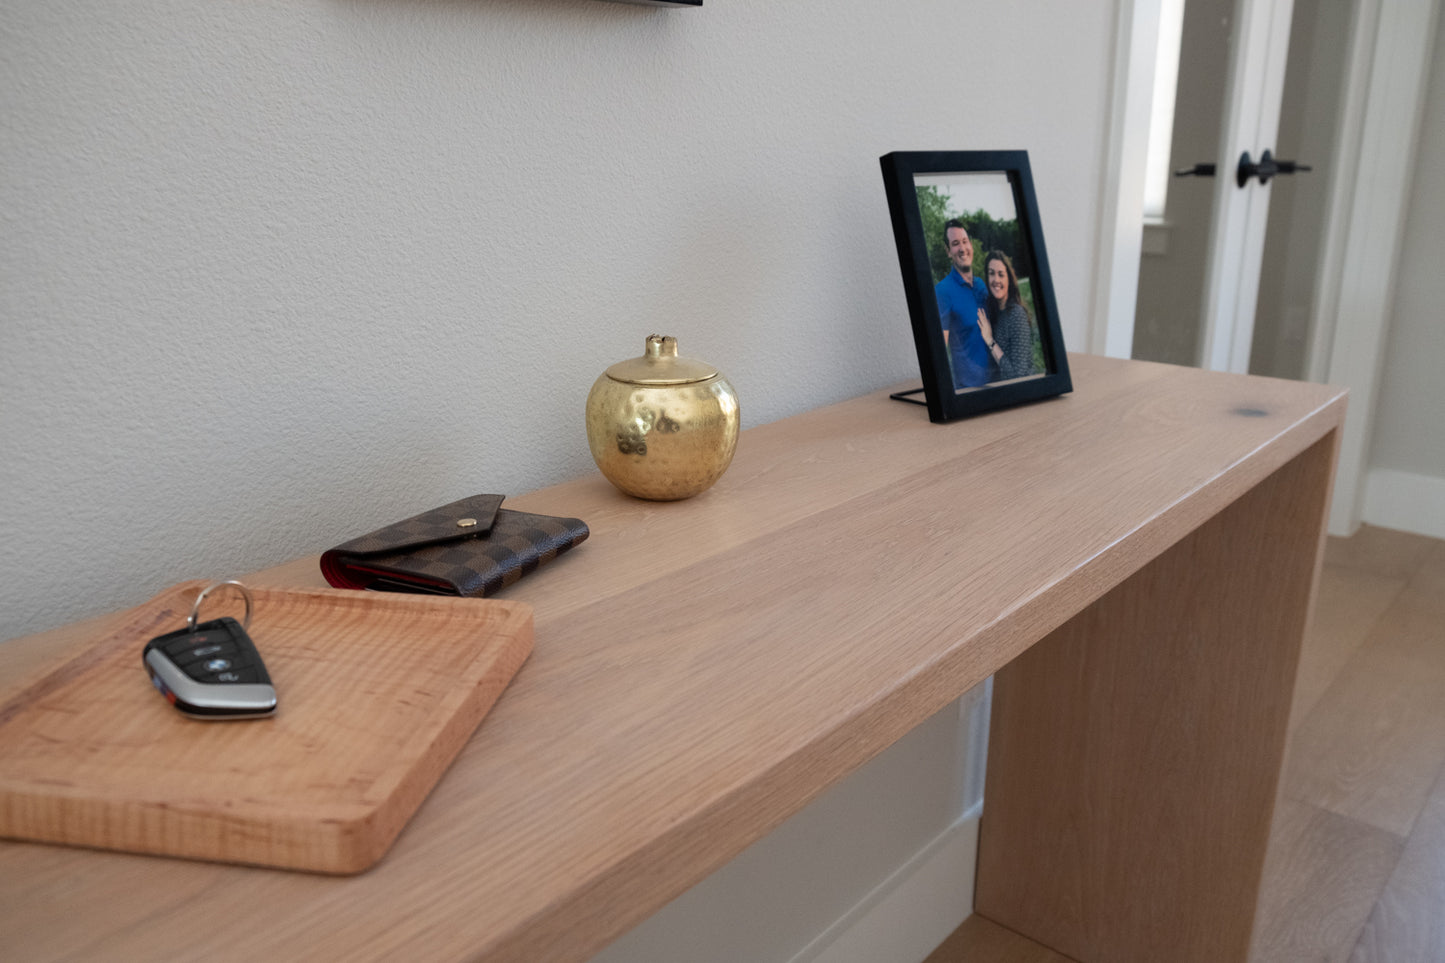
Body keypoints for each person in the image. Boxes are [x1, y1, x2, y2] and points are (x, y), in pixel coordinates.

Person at [934, 220, 991, 388]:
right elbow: (940, 351)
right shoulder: (942, 291)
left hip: (998, 384)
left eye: (965, 242)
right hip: (970, 390)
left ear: (971, 245)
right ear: (948, 251)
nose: (962, 248)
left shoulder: (982, 285)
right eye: (955, 244)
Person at [979, 250, 1036, 382]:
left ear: (1009, 279)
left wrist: (990, 340)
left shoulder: (1017, 315)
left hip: (1026, 393)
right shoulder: (995, 312)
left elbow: (1018, 376)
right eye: (991, 273)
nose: (996, 280)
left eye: (1001, 274)